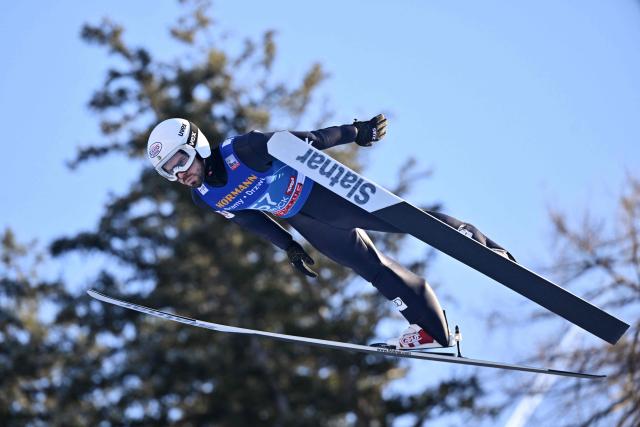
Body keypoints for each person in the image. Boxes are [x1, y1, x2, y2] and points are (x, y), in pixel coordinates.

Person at [146, 115, 515, 349]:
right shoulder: (206, 198)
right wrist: (288, 245)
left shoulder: (245, 149)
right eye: (168, 171)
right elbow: (248, 218)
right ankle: (433, 331)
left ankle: (479, 245)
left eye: (179, 160)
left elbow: (309, 140)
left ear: (196, 144)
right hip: (309, 223)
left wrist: (358, 132)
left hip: (328, 196)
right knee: (375, 270)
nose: (179, 173)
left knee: (406, 221)